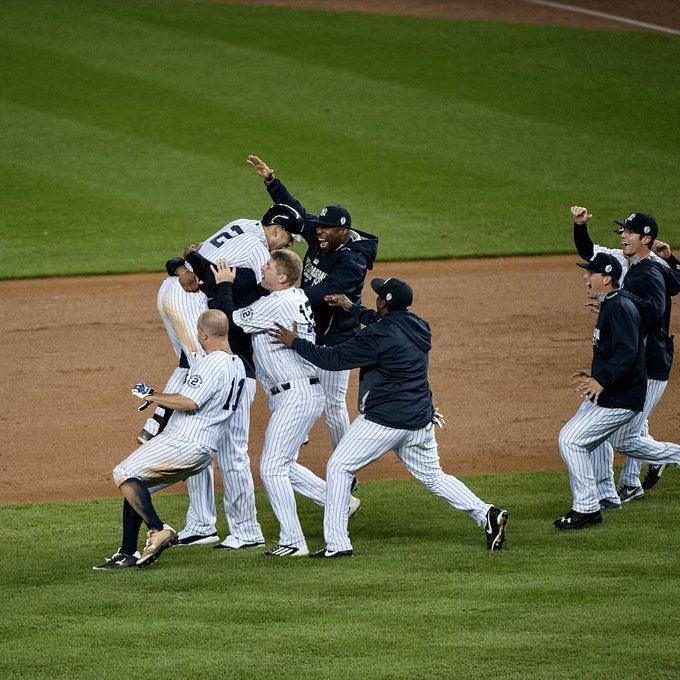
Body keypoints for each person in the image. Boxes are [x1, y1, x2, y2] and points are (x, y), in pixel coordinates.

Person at [270, 276, 508, 557]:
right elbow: (382, 322)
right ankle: (487, 514)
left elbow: (332, 359)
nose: (376, 299)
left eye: (379, 297)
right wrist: (353, 309)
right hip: (420, 418)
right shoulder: (418, 325)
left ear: (384, 303)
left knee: (339, 467)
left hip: (385, 421)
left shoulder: (377, 336)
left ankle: (337, 544)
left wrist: (294, 341)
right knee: (433, 476)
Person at [142, 205, 303, 550]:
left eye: (270, 266)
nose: (266, 261)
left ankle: (246, 530)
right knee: (195, 440)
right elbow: (206, 268)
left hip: (238, 377)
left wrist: (191, 264)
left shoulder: (268, 298)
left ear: (282, 280)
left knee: (231, 453)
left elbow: (227, 307)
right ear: (274, 229)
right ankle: (202, 523)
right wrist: (185, 263)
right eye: (287, 238)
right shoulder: (253, 269)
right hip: (223, 372)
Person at [211, 251, 361, 557]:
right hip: (298, 392)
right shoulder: (296, 297)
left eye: (268, 268)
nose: (262, 270)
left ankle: (293, 541)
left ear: (282, 277)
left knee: (271, 468)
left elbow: (229, 320)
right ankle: (341, 502)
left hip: (296, 395)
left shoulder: (276, 303)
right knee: (284, 464)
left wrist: (224, 284)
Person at [248, 155, 379, 460]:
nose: (319, 232)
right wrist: (271, 180)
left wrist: (284, 299)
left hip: (336, 339)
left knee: (332, 404)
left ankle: (347, 464)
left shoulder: (352, 261)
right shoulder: (323, 237)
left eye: (327, 229)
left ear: (343, 233)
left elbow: (324, 293)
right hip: (308, 326)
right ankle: (296, 427)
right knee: (271, 368)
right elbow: (297, 214)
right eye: (319, 228)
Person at [94, 310, 248, 569]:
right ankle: (127, 553)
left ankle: (158, 530)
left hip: (185, 441)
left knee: (123, 472)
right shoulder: (239, 364)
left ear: (204, 334)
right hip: (204, 449)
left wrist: (153, 396)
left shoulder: (213, 363)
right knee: (135, 486)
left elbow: (189, 401)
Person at [571, 207, 680, 506]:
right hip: (632, 360)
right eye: (622, 230)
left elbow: (658, 306)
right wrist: (580, 225)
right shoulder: (623, 261)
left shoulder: (653, 269)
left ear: (645, 238)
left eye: (628, 231)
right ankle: (624, 484)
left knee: (628, 433)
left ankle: (640, 473)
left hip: (652, 361)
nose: (622, 235)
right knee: (625, 425)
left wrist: (619, 300)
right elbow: (590, 252)